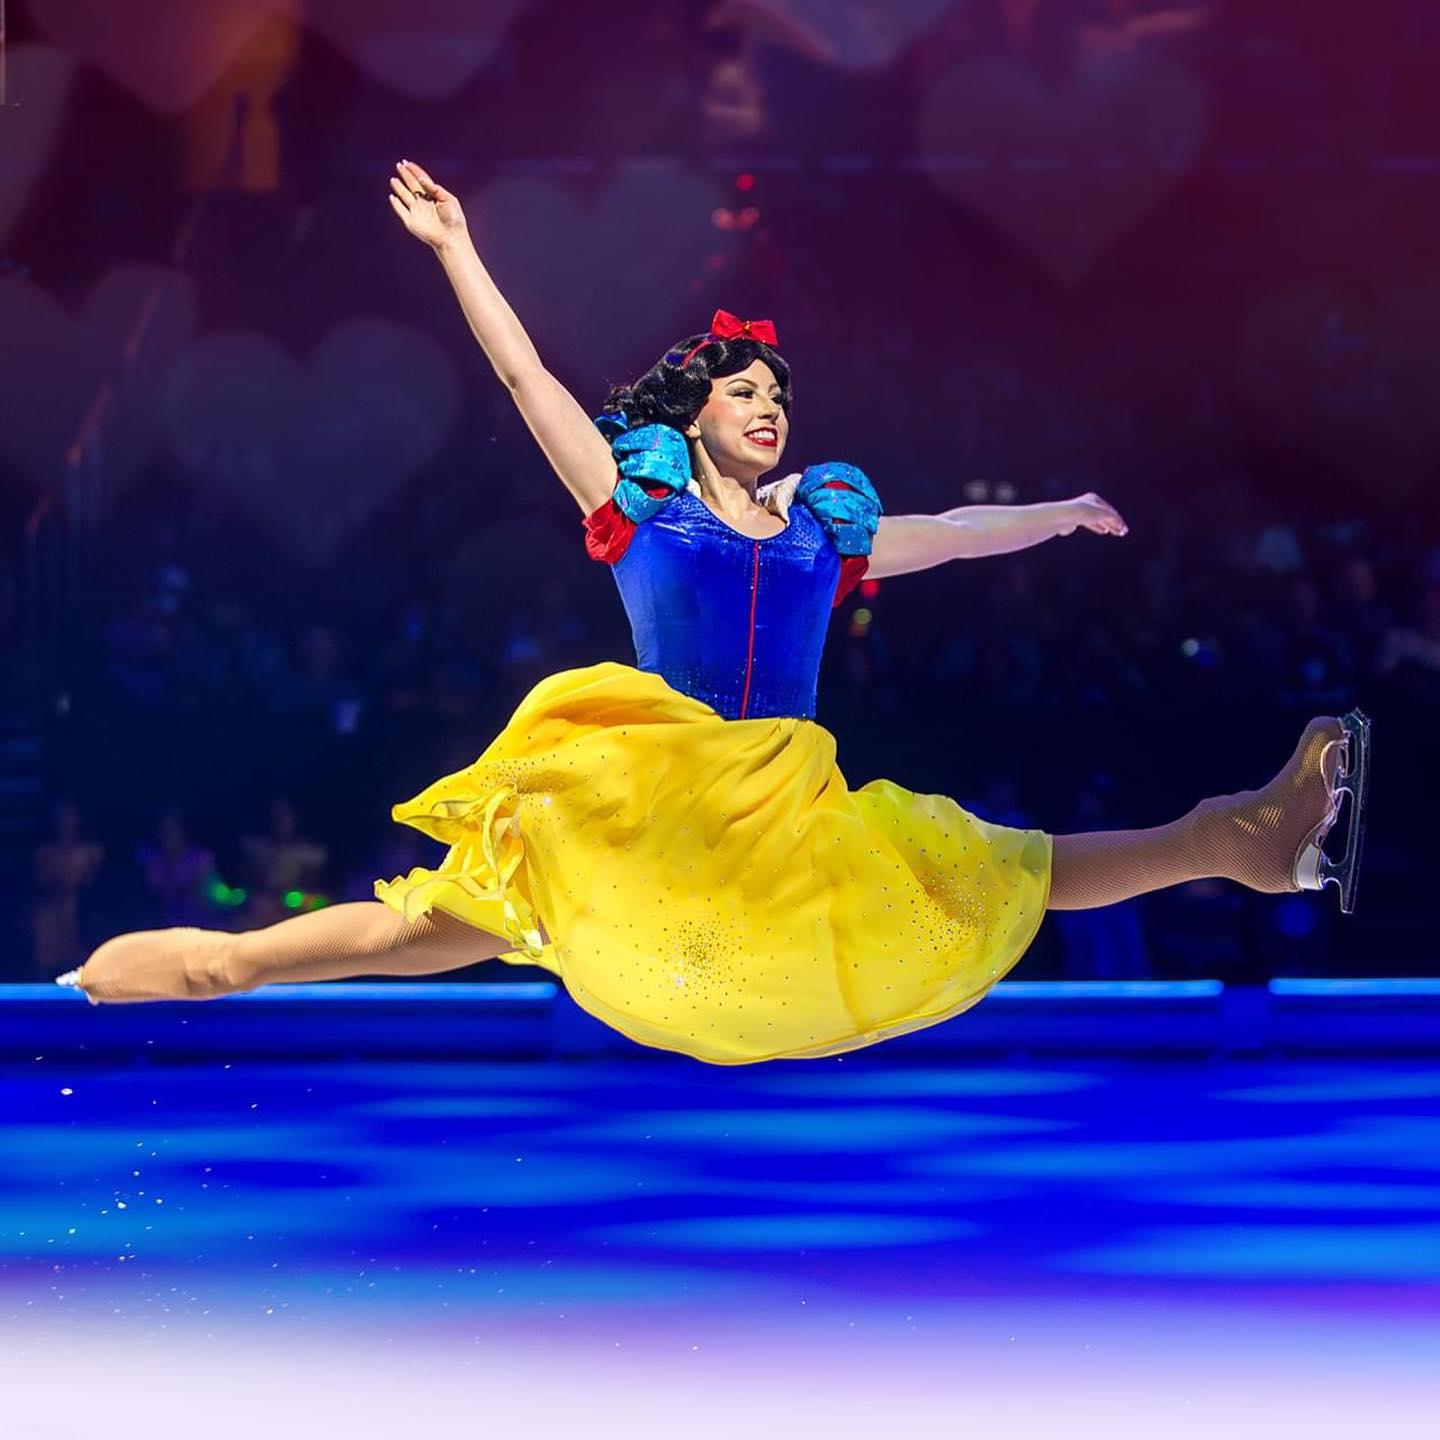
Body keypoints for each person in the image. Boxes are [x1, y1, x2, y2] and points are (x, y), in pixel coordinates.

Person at [57, 160, 1370, 1066]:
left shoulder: (819, 534)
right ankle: (221, 963)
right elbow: (523, 380)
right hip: (655, 818)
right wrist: (460, 249)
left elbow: (949, 539)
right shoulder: (640, 510)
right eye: (743, 392)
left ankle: (1239, 839)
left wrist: (1056, 512)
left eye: (777, 396)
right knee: (442, 921)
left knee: (991, 868)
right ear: (694, 418)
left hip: (779, 837)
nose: (768, 407)